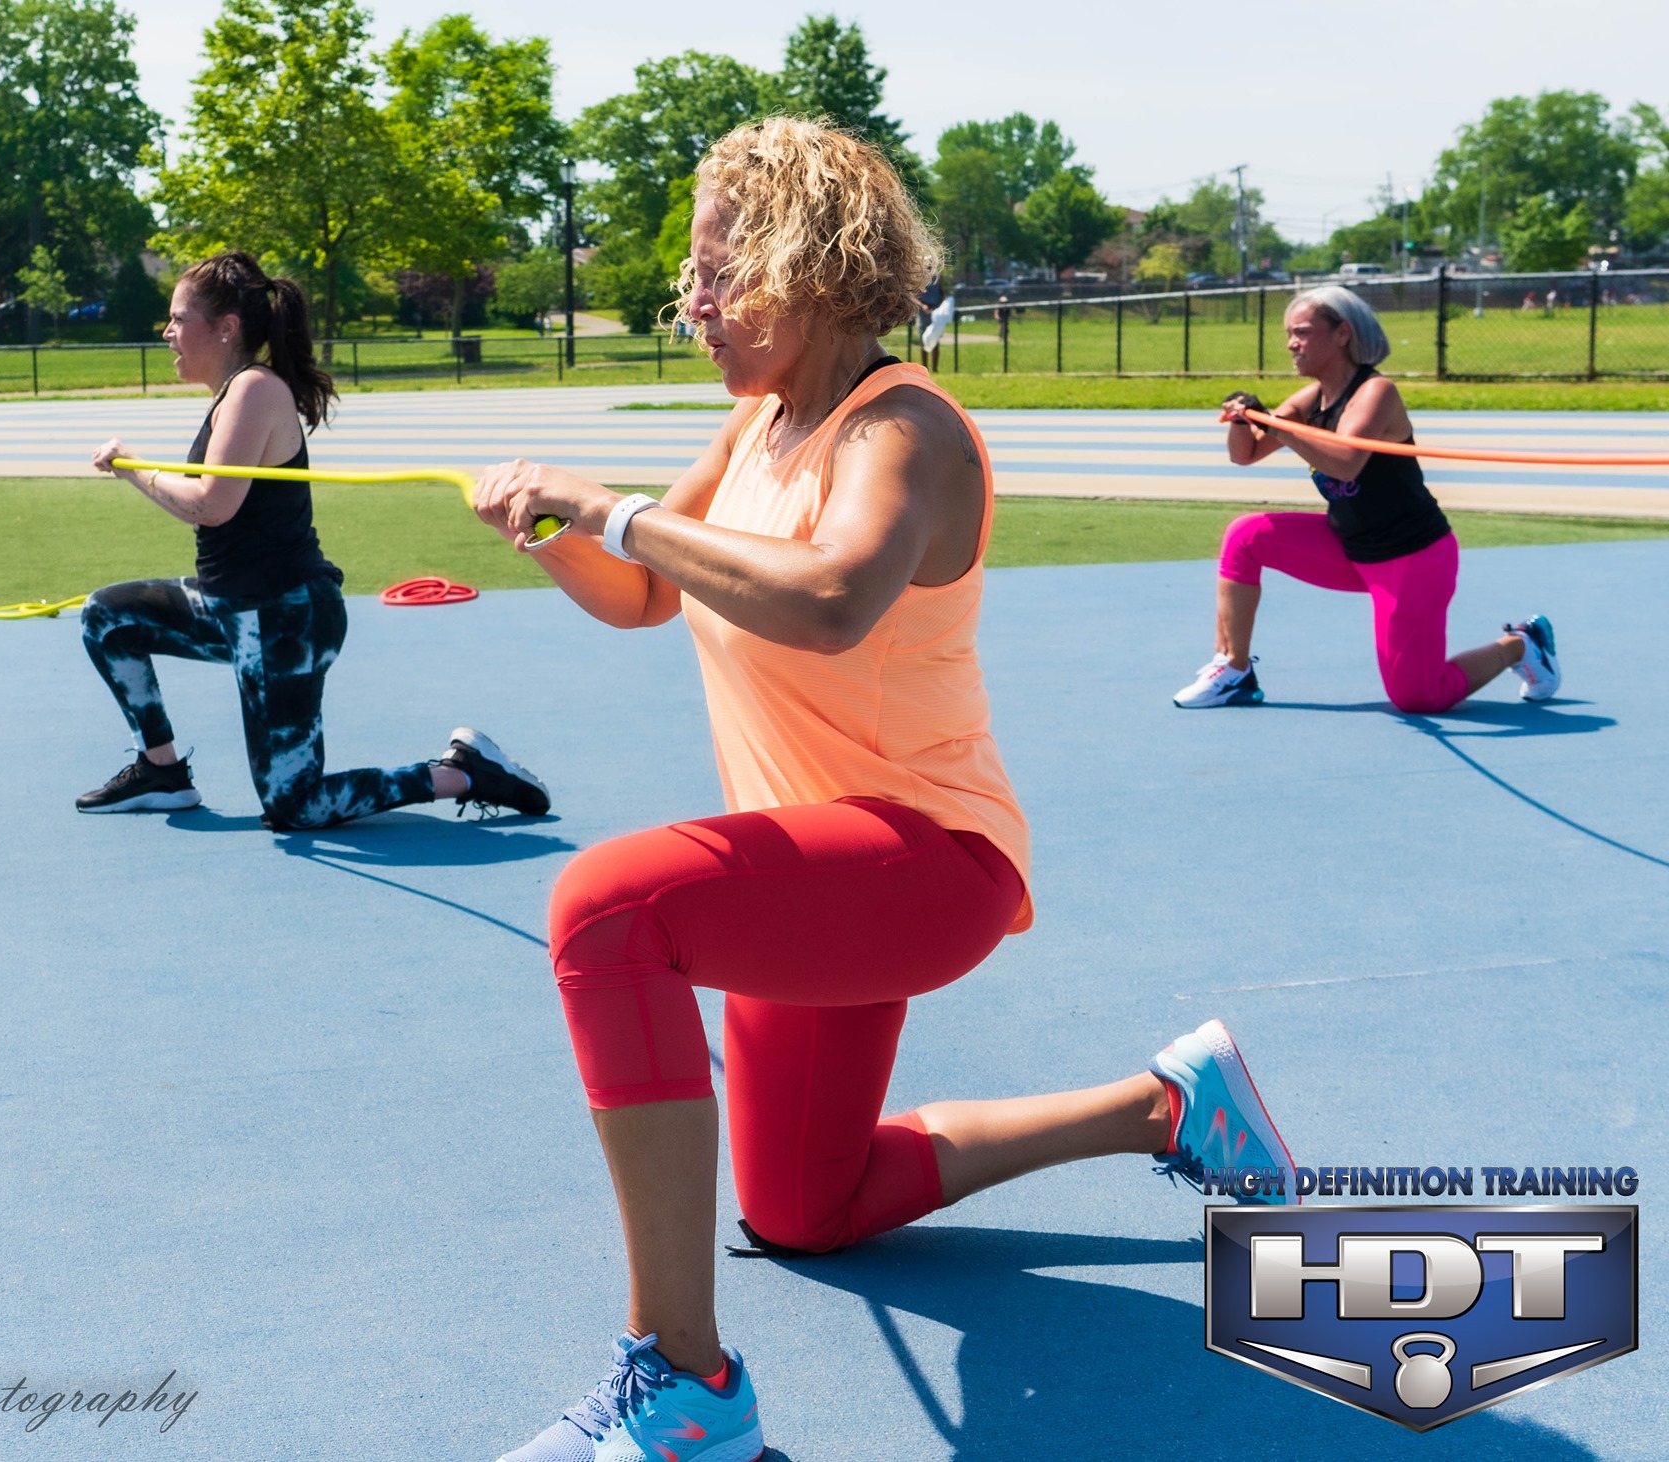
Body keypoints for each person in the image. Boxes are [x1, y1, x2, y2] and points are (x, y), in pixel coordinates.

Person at [474, 118, 1297, 1462]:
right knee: (804, 1203)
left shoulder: (901, 427)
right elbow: (642, 593)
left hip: (926, 863)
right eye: (691, 269)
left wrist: (613, 506)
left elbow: (834, 597)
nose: (692, 294)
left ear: (810, 263)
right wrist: (555, 527)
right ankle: (1166, 1103)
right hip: (821, 867)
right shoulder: (755, 428)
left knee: (606, 912)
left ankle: (685, 1383)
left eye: (717, 262)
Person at [81, 249, 549, 828]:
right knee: (108, 617)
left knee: (292, 805)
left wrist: (131, 467)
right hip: (231, 607)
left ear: (226, 328)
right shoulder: (233, 393)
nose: (166, 331)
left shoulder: (254, 388)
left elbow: (214, 506)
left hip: (285, 621)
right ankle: (163, 772)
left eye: (178, 318)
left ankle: (464, 771)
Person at [1174, 285, 1559, 712]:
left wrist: (1279, 427)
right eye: (1288, 333)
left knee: (1418, 698)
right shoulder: (1310, 399)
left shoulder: (1377, 392)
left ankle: (1521, 645)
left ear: (1342, 334)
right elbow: (1243, 455)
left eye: (1302, 332)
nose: (1290, 343)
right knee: (1245, 535)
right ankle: (1234, 670)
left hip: (1410, 559)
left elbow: (1345, 462)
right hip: (1349, 548)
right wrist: (1243, 421)